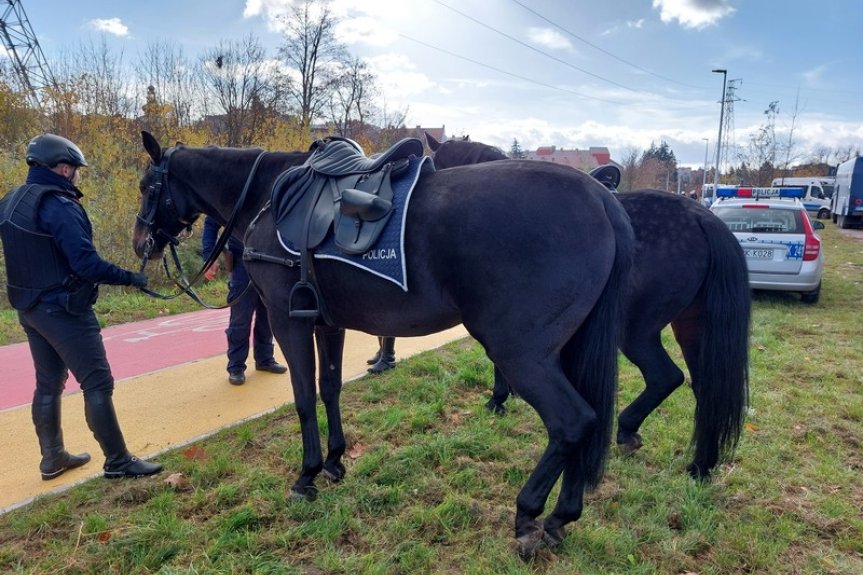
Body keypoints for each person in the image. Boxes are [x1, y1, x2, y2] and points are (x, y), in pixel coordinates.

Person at [0, 133, 162, 480]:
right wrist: (130, 278)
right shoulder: (59, 205)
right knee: (97, 383)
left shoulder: (11, 200)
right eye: (76, 170)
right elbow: (85, 264)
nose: (78, 176)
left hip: (29, 308)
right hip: (65, 309)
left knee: (49, 383)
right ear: (62, 168)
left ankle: (53, 458)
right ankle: (118, 461)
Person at [201, 216, 287, 385]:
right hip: (241, 261)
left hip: (268, 261)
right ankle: (236, 366)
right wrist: (209, 256)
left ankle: (265, 359)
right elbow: (211, 222)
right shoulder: (228, 192)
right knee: (240, 317)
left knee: (267, 314)